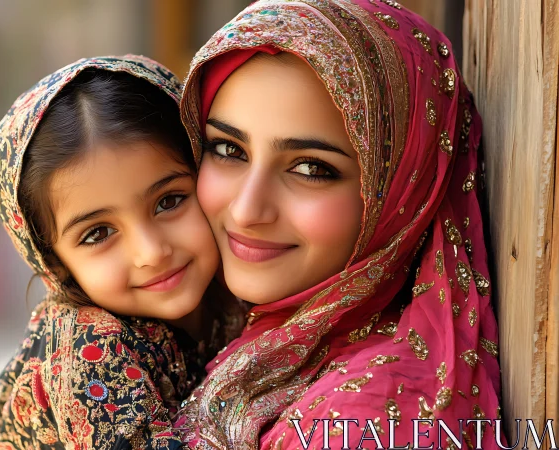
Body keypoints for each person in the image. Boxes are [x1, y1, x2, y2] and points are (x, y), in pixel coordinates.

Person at [173, 1, 504, 448]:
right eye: (228, 150)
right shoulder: (227, 333)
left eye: (311, 169)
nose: (248, 210)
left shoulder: (368, 421)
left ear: (403, 194)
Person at [0, 55, 240, 450]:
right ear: (56, 264)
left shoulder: (237, 294)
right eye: (98, 233)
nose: (151, 252)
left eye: (169, 201)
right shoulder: (88, 355)